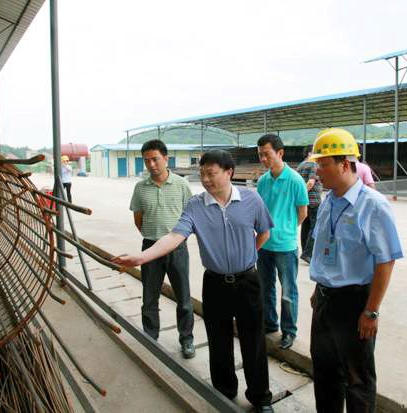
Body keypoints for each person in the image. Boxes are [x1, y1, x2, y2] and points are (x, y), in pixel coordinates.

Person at [115, 150, 275, 413]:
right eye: (202, 174)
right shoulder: (196, 205)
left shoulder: (251, 199)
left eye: (211, 174)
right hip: (214, 284)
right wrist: (142, 257)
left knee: (254, 342)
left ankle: (261, 398)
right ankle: (225, 391)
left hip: (248, 282)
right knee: (218, 340)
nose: (206, 180)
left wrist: (246, 257)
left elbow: (264, 232)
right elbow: (175, 237)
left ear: (228, 173)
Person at [308, 128, 403, 413]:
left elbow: (385, 261)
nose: (318, 171)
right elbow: (328, 251)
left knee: (357, 378)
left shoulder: (373, 206)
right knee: (325, 373)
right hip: (324, 301)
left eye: (323, 164)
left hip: (355, 303)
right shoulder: (329, 202)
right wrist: (318, 289)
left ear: (345, 165)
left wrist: (371, 311)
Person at [129, 139, 195, 359]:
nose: (151, 164)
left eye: (155, 159)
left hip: (178, 249)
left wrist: (175, 239)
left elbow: (190, 215)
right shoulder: (140, 188)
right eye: (146, 160)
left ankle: (186, 339)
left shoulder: (181, 185)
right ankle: (150, 338)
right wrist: (153, 239)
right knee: (149, 297)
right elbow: (138, 218)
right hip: (149, 247)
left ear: (166, 158)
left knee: (184, 297)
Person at [256, 134, 308, 350]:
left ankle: (289, 331)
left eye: (266, 154)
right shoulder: (262, 181)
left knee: (288, 289)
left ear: (280, 153)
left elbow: (302, 213)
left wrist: (286, 229)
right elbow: (258, 212)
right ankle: (270, 324)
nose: (263, 159)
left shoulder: (295, 180)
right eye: (260, 155)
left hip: (286, 247)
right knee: (265, 287)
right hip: (264, 245)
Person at [297, 146, 322, 264]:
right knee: (315, 227)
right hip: (313, 201)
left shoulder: (301, 165)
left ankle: (304, 251)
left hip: (304, 203)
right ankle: (307, 253)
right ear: (309, 153)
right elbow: (311, 182)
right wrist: (303, 194)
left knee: (305, 227)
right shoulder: (314, 165)